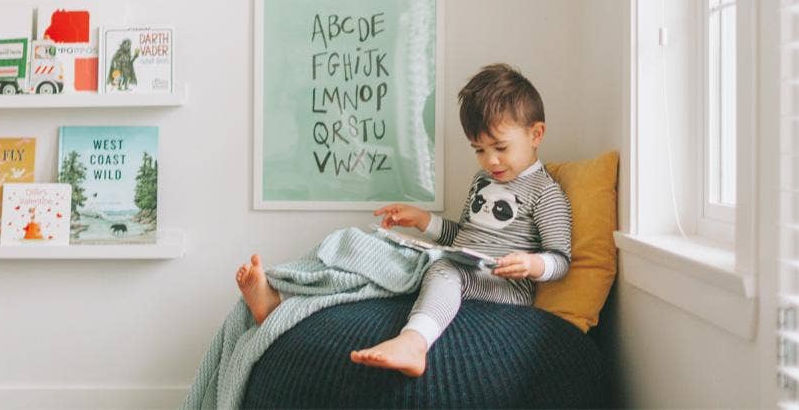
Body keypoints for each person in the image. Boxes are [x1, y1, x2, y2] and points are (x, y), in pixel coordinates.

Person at [235, 63, 572, 377]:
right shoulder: (483, 182)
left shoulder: (546, 193)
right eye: (479, 150)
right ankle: (282, 299)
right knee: (371, 248)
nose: (490, 160)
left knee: (444, 270)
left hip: (505, 286)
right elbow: (464, 238)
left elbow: (561, 260)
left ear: (535, 134)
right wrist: (424, 221)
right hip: (465, 264)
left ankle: (414, 343)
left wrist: (531, 264)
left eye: (499, 147)